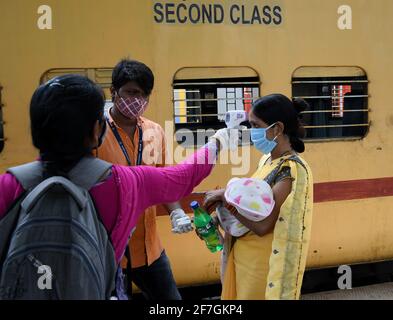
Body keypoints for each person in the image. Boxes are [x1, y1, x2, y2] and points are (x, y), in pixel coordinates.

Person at [0, 74, 235, 299]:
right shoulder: (124, 182)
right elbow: (184, 176)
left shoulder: (9, 185)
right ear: (96, 130)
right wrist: (219, 140)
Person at [95, 59, 191, 300]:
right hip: (108, 251)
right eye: (131, 92)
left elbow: (164, 181)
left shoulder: (154, 131)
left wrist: (176, 213)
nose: (137, 99)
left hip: (149, 249)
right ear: (113, 92)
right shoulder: (95, 133)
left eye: (143, 94)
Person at [204, 94, 313, 300]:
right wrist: (218, 217)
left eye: (255, 125)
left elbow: (263, 226)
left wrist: (226, 199)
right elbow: (250, 206)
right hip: (243, 258)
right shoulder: (266, 161)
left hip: (262, 267)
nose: (251, 132)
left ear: (277, 128)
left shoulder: (290, 170)